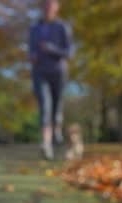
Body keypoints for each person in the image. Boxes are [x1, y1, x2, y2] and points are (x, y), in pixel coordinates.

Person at [29, 0, 73, 160]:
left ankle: (57, 137)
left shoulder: (62, 27)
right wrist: (32, 56)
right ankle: (46, 144)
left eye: (51, 5)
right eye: (45, 5)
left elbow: (69, 53)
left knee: (57, 107)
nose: (47, 8)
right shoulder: (34, 28)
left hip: (58, 72)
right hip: (40, 72)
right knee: (45, 107)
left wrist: (51, 49)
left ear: (56, 8)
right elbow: (31, 49)